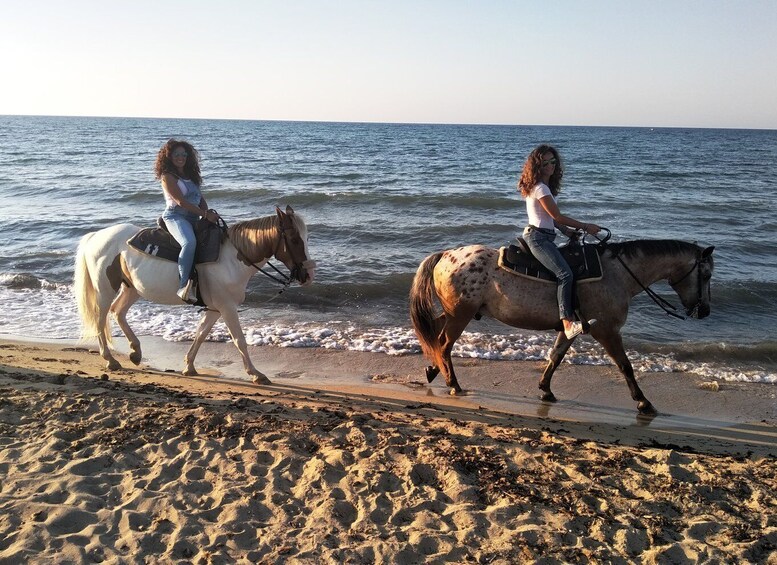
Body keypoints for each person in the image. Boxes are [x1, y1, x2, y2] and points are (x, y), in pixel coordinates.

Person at [518, 144, 602, 339]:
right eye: (545, 162)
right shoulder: (540, 188)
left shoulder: (543, 187)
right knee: (565, 274)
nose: (550, 165)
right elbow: (557, 215)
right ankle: (567, 323)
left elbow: (552, 219)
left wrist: (567, 232)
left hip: (545, 236)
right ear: (537, 166)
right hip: (538, 238)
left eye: (553, 161)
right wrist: (585, 226)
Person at [154, 139, 219, 303]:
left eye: (184, 154)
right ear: (169, 156)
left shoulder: (191, 175)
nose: (181, 157)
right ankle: (183, 287)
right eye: (177, 154)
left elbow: (200, 197)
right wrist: (204, 214)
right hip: (175, 216)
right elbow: (181, 201)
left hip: (194, 216)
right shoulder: (167, 177)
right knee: (189, 242)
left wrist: (208, 211)